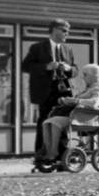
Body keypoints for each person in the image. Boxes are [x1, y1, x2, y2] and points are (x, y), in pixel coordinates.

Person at [21, 18, 76, 159]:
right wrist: (46, 67)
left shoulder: (68, 49)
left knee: (62, 121)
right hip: (45, 91)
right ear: (54, 30)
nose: (67, 34)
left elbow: (75, 70)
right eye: (64, 31)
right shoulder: (37, 48)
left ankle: (62, 156)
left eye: (68, 31)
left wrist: (69, 68)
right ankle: (42, 153)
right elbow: (25, 66)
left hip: (63, 91)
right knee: (44, 121)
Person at [39, 64, 99, 164]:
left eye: (85, 75)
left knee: (54, 122)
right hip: (78, 115)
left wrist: (76, 101)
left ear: (94, 75)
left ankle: (53, 153)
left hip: (88, 117)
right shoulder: (90, 87)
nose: (83, 77)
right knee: (46, 123)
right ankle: (50, 151)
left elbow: (95, 102)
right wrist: (68, 101)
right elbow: (79, 100)